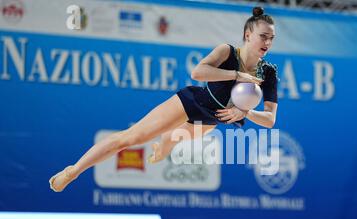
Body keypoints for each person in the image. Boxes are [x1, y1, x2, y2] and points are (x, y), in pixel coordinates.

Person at [49, 6, 279, 192]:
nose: (267, 43)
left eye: (271, 38)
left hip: (211, 120)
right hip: (191, 103)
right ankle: (74, 170)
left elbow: (269, 120)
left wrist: (245, 112)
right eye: (263, 36)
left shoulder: (268, 73)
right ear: (248, 35)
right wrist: (236, 74)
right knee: (130, 138)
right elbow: (198, 72)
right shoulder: (227, 52)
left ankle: (163, 147)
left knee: (170, 141)